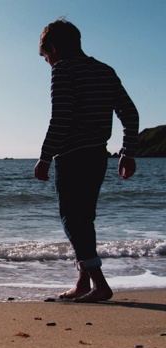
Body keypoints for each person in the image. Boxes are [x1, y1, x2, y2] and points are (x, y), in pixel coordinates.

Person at [34, 19, 139, 302]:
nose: (48, 63)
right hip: (97, 156)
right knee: (84, 218)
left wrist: (44, 157)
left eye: (46, 57)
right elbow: (130, 114)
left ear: (53, 48)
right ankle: (83, 282)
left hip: (71, 156)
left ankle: (100, 284)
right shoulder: (105, 70)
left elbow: (61, 117)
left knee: (73, 218)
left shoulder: (64, 70)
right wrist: (128, 151)